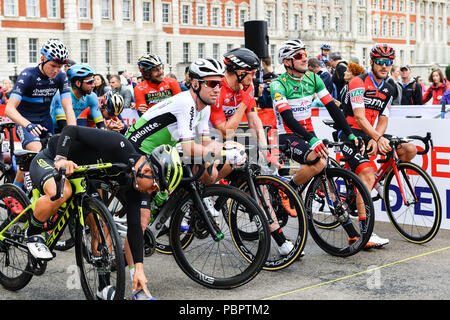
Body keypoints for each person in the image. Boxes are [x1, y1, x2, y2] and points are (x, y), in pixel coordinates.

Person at [125, 58, 248, 280]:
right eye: (211, 84)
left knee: (208, 173)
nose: (217, 89)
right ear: (195, 84)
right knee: (141, 219)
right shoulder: (185, 103)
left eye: (219, 84)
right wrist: (220, 152)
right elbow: (190, 146)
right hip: (138, 149)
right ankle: (133, 272)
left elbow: (204, 143)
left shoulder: (204, 107)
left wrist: (231, 147)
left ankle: (176, 205)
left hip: (163, 151)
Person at [28, 124, 183, 299]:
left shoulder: (134, 183)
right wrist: (61, 158)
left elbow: (134, 229)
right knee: (62, 191)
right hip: (51, 158)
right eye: (155, 187)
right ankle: (33, 232)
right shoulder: (117, 144)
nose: (152, 193)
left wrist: (138, 268)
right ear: (147, 171)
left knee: (101, 225)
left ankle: (103, 287)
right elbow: (71, 130)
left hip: (80, 176)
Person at [342, 43, 418, 247]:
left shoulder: (390, 87)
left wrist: (378, 138)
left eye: (388, 63)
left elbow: (383, 118)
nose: (384, 66)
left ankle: (376, 180)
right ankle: (365, 234)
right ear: (372, 63)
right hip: (350, 133)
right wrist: (376, 138)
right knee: (366, 176)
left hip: (371, 133)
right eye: (380, 62)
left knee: (409, 149)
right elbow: (359, 117)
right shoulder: (358, 82)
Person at [5, 39, 76, 190]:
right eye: (53, 66)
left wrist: (74, 133)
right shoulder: (28, 75)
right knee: (37, 154)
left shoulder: (60, 77)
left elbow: (68, 108)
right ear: (42, 59)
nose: (56, 70)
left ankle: (16, 190)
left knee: (50, 156)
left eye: (60, 66)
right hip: (26, 122)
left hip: (45, 121)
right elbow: (9, 109)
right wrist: (28, 125)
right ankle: (17, 195)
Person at [209, 47, 276, 168]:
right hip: (203, 138)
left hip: (220, 140)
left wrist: (266, 154)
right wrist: (244, 102)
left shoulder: (247, 87)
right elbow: (225, 133)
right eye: (253, 73)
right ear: (240, 73)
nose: (254, 78)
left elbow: (255, 123)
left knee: (246, 167)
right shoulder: (217, 89)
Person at [51, 63, 106, 132]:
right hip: (52, 128)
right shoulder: (62, 95)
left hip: (69, 127)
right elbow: (62, 124)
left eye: (93, 81)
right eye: (90, 82)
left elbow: (100, 123)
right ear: (78, 83)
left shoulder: (92, 96)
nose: (93, 85)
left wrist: (104, 130)